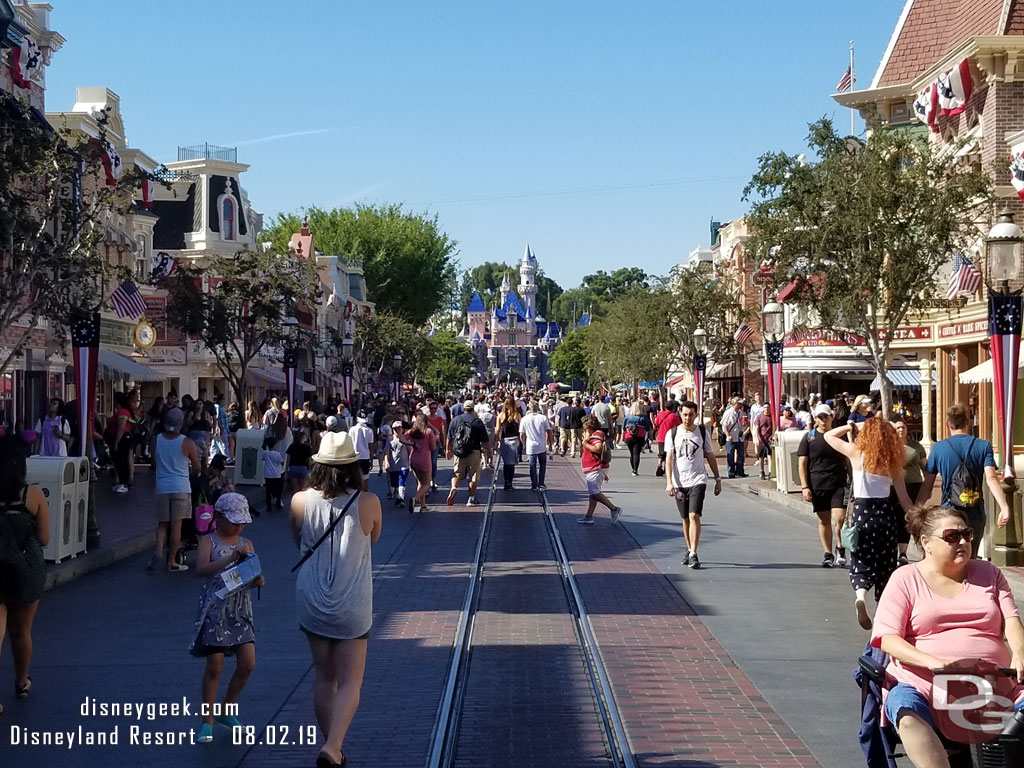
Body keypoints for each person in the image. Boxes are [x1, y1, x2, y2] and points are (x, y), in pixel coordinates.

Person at [870, 504, 1024, 765]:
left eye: (967, 534)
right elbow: (887, 639)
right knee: (907, 712)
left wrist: (1019, 655)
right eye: (952, 536)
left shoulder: (989, 574)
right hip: (926, 682)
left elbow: (1012, 621)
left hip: (994, 681)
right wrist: (934, 662)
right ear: (926, 543)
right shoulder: (905, 578)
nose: (962, 541)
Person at [289, 431, 382, 768]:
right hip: (352, 599)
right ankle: (333, 746)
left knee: (324, 677)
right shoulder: (368, 502)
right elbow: (372, 539)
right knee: (350, 681)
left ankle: (333, 746)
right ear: (353, 467)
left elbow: (298, 537)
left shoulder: (300, 500)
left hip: (311, 596)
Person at [824, 418, 913, 630]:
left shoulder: (857, 454)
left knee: (861, 557)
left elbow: (828, 436)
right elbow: (904, 499)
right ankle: (882, 608)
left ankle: (860, 595)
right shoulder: (893, 463)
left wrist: (853, 426)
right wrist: (916, 517)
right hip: (885, 514)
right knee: (885, 563)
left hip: (862, 513)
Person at [190, 492, 264, 743]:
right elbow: (200, 570)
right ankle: (207, 720)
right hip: (216, 608)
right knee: (215, 665)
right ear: (219, 517)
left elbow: (253, 574)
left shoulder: (247, 543)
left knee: (248, 663)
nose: (239, 526)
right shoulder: (209, 541)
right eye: (234, 521)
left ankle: (226, 709)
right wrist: (229, 558)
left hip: (240, 608)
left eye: (242, 521)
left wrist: (257, 579)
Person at [916, 403, 1012, 557]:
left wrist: (916, 509)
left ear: (948, 423)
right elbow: (991, 478)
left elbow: (928, 485)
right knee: (971, 557)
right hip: (975, 512)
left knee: (950, 556)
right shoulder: (983, 446)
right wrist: (1004, 507)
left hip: (949, 511)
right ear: (968, 421)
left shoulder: (938, 448)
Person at [0, 435, 49, 713]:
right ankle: (21, 681)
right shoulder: (32, 495)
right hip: (25, 570)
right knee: (21, 631)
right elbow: (44, 538)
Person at [663, 400, 721, 569]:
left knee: (694, 515)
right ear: (680, 414)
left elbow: (710, 455)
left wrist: (718, 479)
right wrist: (669, 482)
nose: (687, 418)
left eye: (691, 415)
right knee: (685, 518)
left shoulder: (702, 432)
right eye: (685, 414)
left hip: (698, 479)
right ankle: (689, 549)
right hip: (679, 481)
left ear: (696, 415)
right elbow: (669, 459)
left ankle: (694, 552)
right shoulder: (672, 433)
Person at [798, 404, 850, 568]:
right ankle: (828, 553)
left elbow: (848, 459)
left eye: (825, 417)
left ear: (831, 417)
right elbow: (802, 463)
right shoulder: (809, 437)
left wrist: (853, 479)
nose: (823, 420)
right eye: (819, 417)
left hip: (838, 482)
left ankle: (840, 547)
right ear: (815, 419)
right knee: (824, 519)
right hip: (818, 483)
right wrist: (805, 486)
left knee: (840, 518)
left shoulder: (840, 437)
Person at [149, 408, 200, 572]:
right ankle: (172, 561)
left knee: (162, 523)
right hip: (181, 486)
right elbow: (197, 468)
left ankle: (158, 552)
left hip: (162, 486)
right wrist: (192, 472)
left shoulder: (156, 440)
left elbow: (154, 461)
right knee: (177, 524)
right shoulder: (187, 442)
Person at [577, 415, 623, 525]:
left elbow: (597, 449)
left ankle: (614, 509)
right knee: (593, 493)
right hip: (595, 468)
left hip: (595, 467)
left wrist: (585, 443)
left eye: (585, 426)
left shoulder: (597, 435)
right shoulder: (597, 434)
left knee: (595, 493)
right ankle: (589, 516)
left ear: (589, 426)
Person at [446, 399, 492, 506]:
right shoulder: (477, 421)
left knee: (457, 473)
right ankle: (471, 499)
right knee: (473, 476)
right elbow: (485, 440)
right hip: (474, 452)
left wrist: (447, 450)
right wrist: (489, 453)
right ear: (473, 409)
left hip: (459, 452)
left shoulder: (456, 420)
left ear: (464, 409)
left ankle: (453, 487)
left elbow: (449, 437)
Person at [893, 421, 926, 566]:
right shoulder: (889, 445)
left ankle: (903, 553)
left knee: (909, 518)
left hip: (914, 485)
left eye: (903, 427)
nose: (901, 429)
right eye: (898, 427)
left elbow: (925, 466)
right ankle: (892, 549)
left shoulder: (916, 447)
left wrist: (927, 486)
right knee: (895, 517)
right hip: (894, 487)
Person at [520, 400, 551, 491]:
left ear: (529, 407)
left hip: (531, 446)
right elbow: (548, 431)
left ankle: (534, 484)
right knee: (542, 464)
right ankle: (541, 483)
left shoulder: (524, 419)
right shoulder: (543, 418)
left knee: (532, 466)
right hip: (541, 445)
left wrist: (523, 444)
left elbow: (521, 434)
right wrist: (550, 444)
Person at [406, 414, 435, 513]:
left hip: (413, 459)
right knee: (426, 483)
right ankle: (415, 498)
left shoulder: (412, 432)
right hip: (425, 459)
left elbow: (401, 439)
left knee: (420, 483)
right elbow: (433, 447)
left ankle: (423, 506)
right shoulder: (428, 432)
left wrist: (412, 444)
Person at [494, 397, 522, 491]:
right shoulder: (517, 415)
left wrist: (497, 439)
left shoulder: (500, 415)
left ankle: (506, 481)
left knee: (506, 463)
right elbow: (520, 429)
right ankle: (509, 482)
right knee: (512, 463)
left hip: (505, 441)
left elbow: (497, 430)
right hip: (514, 440)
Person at [652, 400, 682, 478]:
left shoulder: (660, 414)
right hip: (671, 437)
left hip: (661, 436)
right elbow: (679, 426)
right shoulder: (674, 416)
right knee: (669, 453)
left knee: (661, 453)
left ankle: (659, 464)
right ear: (672, 408)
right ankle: (667, 468)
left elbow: (656, 424)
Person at [621, 401, 651, 477]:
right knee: (636, 453)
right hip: (639, 436)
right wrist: (650, 436)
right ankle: (635, 469)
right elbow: (648, 428)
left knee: (631, 453)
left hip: (629, 436)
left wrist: (622, 436)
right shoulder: (642, 417)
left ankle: (633, 468)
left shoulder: (627, 416)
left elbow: (623, 427)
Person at [720, 399, 749, 478]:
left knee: (741, 455)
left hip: (740, 437)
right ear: (735, 404)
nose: (740, 405)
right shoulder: (728, 413)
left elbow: (744, 424)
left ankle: (740, 471)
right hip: (731, 438)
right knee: (730, 456)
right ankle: (731, 472)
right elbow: (724, 425)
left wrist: (745, 426)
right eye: (739, 404)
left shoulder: (741, 413)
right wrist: (728, 435)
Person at [386, 421, 411, 506]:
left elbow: (410, 450)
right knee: (395, 483)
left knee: (402, 480)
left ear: (402, 429)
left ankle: (401, 498)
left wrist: (411, 461)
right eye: (395, 429)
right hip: (394, 465)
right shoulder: (390, 439)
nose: (397, 430)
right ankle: (397, 495)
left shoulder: (405, 438)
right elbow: (387, 452)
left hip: (404, 464)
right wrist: (387, 462)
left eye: (399, 428)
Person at [348, 414, 376, 493]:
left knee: (354, 478)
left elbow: (349, 443)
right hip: (365, 457)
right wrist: (371, 459)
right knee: (365, 479)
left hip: (354, 457)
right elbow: (371, 447)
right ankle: (365, 496)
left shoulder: (352, 429)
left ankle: (354, 496)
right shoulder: (369, 430)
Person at [751, 401, 774, 480]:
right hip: (761, 439)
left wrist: (772, 436)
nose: (766, 409)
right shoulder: (759, 417)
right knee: (761, 456)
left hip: (769, 439)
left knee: (770, 455)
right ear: (763, 409)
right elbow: (757, 428)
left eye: (768, 407)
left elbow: (774, 428)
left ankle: (770, 472)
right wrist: (758, 438)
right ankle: (762, 471)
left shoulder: (772, 417)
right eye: (765, 407)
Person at [263, 437, 285, 513]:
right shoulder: (277, 454)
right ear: (275, 445)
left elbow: (262, 458)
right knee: (278, 490)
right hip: (276, 474)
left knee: (268, 491)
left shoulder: (265, 453)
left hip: (268, 474)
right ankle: (278, 504)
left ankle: (268, 506)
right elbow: (281, 462)